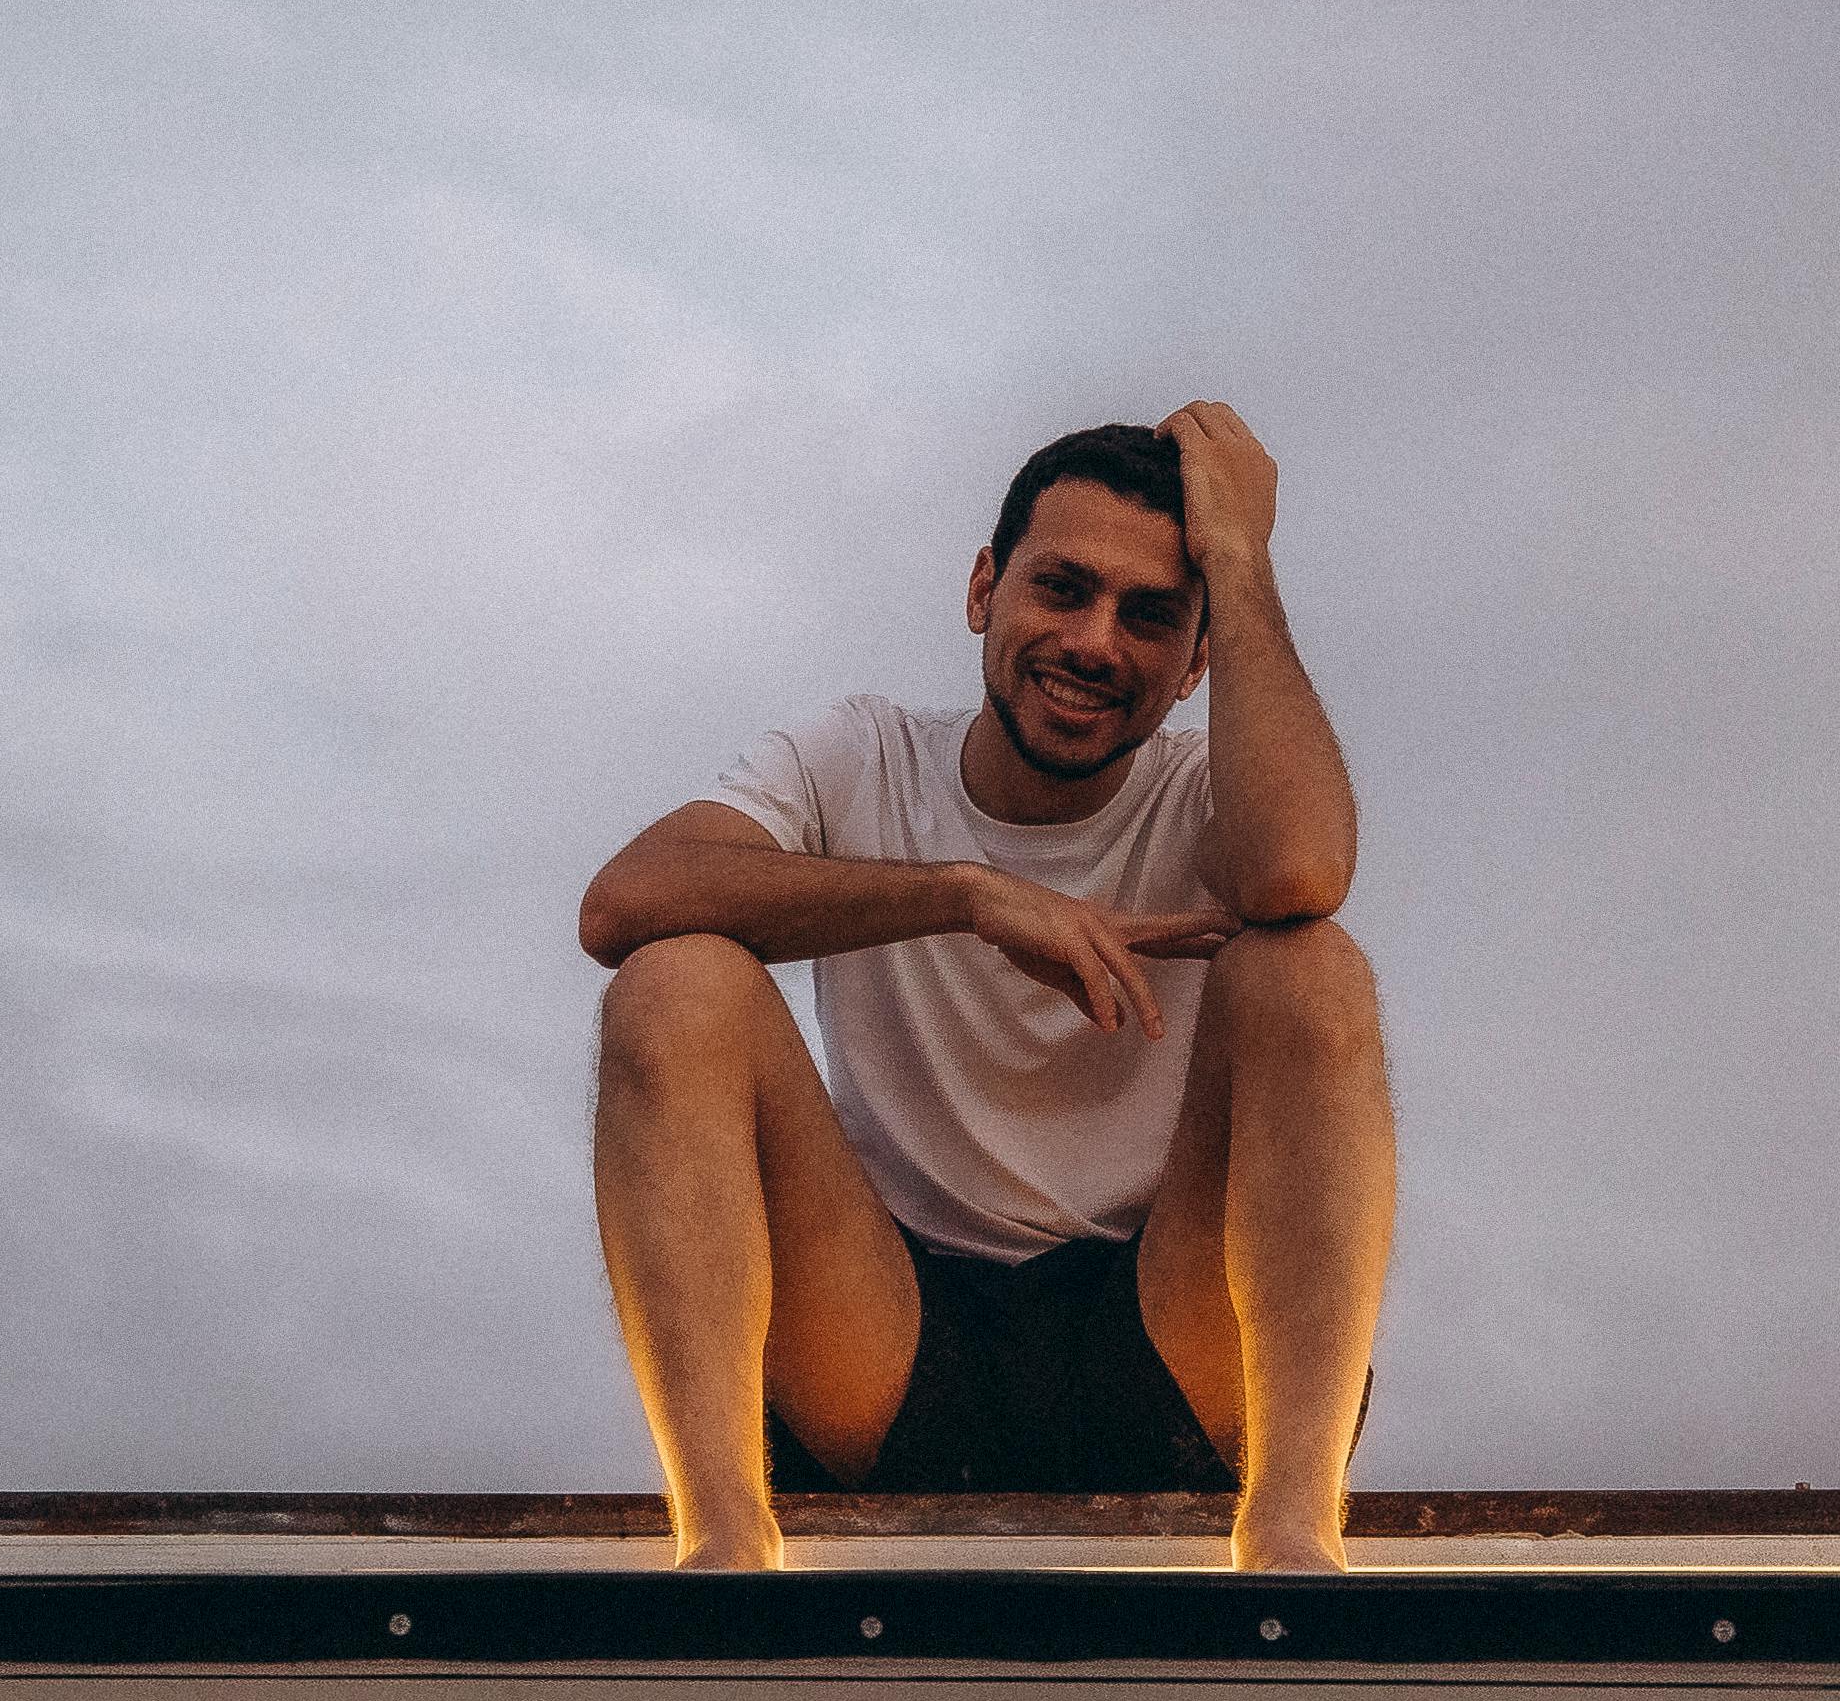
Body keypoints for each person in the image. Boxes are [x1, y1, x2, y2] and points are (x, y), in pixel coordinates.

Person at [581, 399, 1393, 1572]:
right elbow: (623, 901)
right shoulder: (860, 756)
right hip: (888, 1341)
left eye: (1151, 616)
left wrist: (1242, 560)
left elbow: (1299, 871)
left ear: (1197, 661)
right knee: (674, 981)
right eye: (1062, 589)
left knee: (1307, 967)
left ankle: (1291, 1536)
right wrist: (965, 893)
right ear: (983, 591)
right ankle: (722, 1546)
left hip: (1165, 1339)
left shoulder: (1207, 796)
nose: (1096, 643)